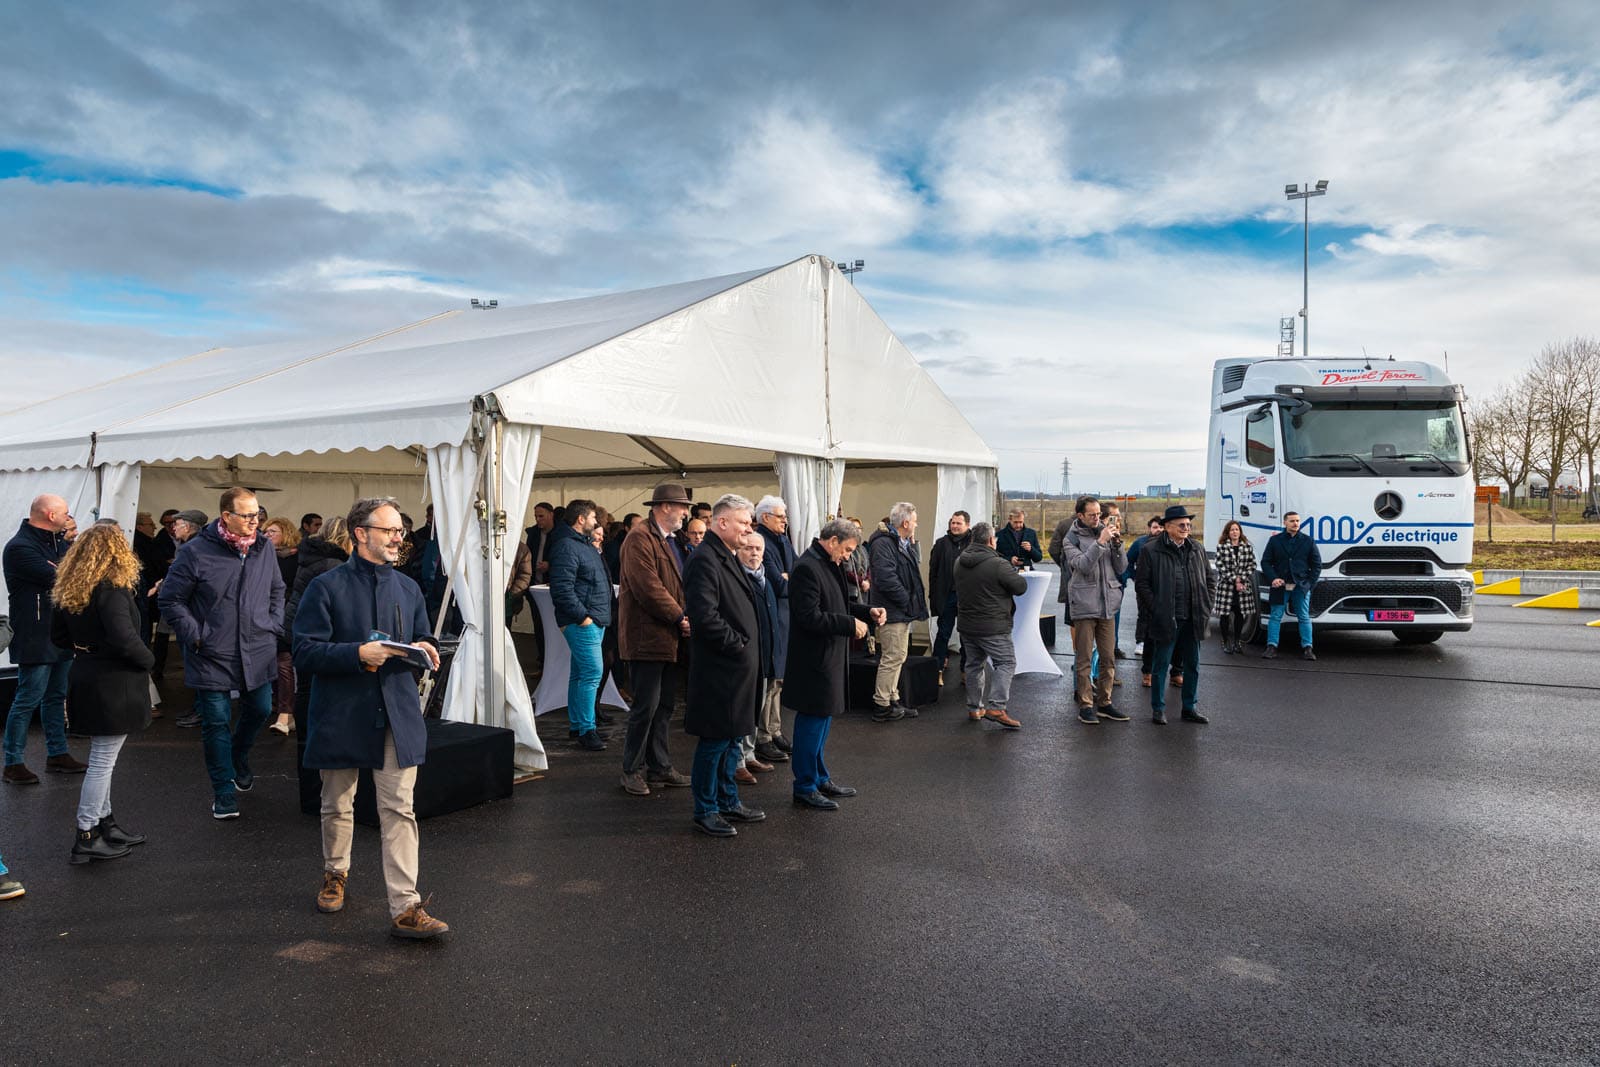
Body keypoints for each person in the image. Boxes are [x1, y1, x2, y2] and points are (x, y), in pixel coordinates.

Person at [292, 497, 447, 940]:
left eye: (401, 531)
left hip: (396, 711)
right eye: (390, 530)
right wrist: (356, 654)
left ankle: (406, 905)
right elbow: (303, 650)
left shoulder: (408, 587)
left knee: (400, 808)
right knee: (337, 802)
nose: (399, 538)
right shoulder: (326, 586)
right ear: (361, 534)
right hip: (343, 711)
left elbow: (420, 633)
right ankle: (335, 872)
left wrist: (426, 645)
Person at [157, 487, 284, 819]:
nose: (255, 521)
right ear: (226, 516)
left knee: (260, 708)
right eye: (247, 515)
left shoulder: (263, 547)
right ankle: (223, 790)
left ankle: (238, 755)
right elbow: (170, 599)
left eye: (257, 514)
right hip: (211, 651)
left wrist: (272, 623)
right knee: (215, 722)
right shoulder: (196, 552)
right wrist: (197, 636)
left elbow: (276, 589)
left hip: (258, 647)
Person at [49, 522, 155, 863]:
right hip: (113, 681)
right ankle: (86, 833)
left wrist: (87, 646)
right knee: (102, 762)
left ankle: (104, 823)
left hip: (86, 672)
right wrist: (148, 660)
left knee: (102, 758)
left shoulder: (70, 587)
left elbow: (59, 637)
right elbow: (125, 638)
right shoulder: (111, 588)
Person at [682, 494, 765, 838]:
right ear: (722, 522)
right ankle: (706, 809)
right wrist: (738, 645)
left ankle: (728, 799)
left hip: (736, 667)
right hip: (721, 667)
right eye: (744, 522)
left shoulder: (725, 556)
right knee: (715, 741)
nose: (749, 529)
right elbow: (705, 616)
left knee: (732, 740)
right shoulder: (705, 559)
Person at [786, 518, 882, 810]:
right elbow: (808, 616)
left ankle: (818, 777)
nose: (849, 555)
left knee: (823, 721)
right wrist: (848, 623)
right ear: (832, 541)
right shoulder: (807, 568)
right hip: (813, 661)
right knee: (812, 723)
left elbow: (839, 605)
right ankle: (804, 785)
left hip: (828, 658)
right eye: (848, 549)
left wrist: (866, 612)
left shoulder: (829, 563)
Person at [3, 493, 86, 784]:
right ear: (51, 516)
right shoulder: (19, 548)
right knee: (28, 698)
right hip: (35, 634)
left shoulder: (56, 543)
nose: (69, 517)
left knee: (55, 697)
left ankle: (57, 753)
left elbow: (73, 573)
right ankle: (12, 762)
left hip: (60, 632)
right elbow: (68, 577)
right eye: (65, 513)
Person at [616, 484, 693, 797]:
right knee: (645, 707)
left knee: (663, 706)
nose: (686, 513)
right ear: (664, 507)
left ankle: (659, 766)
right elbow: (649, 587)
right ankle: (631, 770)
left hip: (666, 638)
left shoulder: (669, 540)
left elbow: (677, 584)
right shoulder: (639, 538)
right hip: (648, 637)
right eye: (681, 507)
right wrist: (680, 617)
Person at [1135, 505, 1213, 726]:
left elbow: (1210, 579)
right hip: (1167, 618)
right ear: (1168, 526)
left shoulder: (1197, 548)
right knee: (1161, 665)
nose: (1186, 528)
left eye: (1189, 524)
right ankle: (1158, 709)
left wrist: (1207, 605)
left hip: (1193, 617)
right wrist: (1157, 608)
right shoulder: (1151, 550)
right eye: (1181, 524)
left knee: (1193, 665)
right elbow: (1142, 584)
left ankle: (1189, 707)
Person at [1059, 496, 1129, 725]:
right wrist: (1100, 543)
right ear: (1080, 515)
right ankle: (1086, 704)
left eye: (1099, 514)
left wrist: (1118, 547)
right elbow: (1082, 566)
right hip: (1085, 604)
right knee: (1084, 658)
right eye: (1092, 514)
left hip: (1107, 603)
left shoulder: (1106, 532)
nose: (1097, 518)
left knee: (1108, 658)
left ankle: (1105, 702)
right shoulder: (1071, 539)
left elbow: (1121, 568)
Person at [547, 499, 611, 751]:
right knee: (592, 674)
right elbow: (562, 589)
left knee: (580, 674)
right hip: (584, 622)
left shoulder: (580, 545)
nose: (597, 523)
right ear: (581, 519)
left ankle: (578, 725)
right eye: (594, 518)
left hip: (592, 619)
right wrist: (584, 617)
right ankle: (587, 729)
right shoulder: (567, 546)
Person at [953, 522, 1026, 728]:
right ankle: (997, 706)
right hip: (993, 625)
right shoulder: (998, 564)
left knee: (974, 665)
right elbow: (1020, 587)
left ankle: (975, 708)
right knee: (1006, 662)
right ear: (991, 540)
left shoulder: (959, 561)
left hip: (967, 624)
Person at [867, 502, 928, 722]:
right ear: (905, 522)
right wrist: (906, 601)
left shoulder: (899, 542)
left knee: (899, 656)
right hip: (891, 610)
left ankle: (893, 698)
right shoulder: (884, 543)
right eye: (915, 520)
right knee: (892, 657)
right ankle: (882, 704)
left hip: (899, 610)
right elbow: (886, 578)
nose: (916, 524)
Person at [751, 495, 794, 765]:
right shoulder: (761, 543)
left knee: (779, 681)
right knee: (769, 682)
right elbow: (781, 585)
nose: (785, 520)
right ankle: (763, 736)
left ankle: (775, 729)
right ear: (765, 517)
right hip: (772, 617)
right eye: (780, 516)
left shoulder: (784, 540)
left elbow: (796, 574)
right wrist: (789, 579)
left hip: (784, 618)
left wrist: (790, 578)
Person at [736, 532, 779, 782]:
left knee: (757, 707)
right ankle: (738, 761)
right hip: (746, 655)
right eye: (749, 548)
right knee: (743, 710)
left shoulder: (765, 578)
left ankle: (749, 754)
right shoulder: (740, 578)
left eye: (758, 549)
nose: (754, 553)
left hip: (764, 654)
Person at [156, 509, 207, 720]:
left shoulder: (191, 548)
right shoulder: (196, 546)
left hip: (192, 613)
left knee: (197, 664)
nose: (173, 528)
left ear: (187, 526)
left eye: (176, 524)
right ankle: (199, 707)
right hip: (193, 613)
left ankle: (202, 709)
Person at [1261, 511, 1322, 661]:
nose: (1296, 523)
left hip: (1300, 586)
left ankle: (1308, 648)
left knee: (1304, 617)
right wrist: (1273, 578)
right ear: (1285, 523)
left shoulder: (1308, 541)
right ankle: (1271, 647)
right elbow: (1266, 562)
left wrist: (1308, 584)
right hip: (1280, 585)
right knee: (1275, 616)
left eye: (1298, 521)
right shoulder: (1274, 541)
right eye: (1292, 521)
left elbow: (1316, 565)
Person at [263, 518, 302, 739]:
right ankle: (283, 709)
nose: (267, 534)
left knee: (283, 662)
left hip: (288, 614)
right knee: (276, 663)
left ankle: (285, 713)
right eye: (266, 531)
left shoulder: (296, 558)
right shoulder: (262, 555)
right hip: (266, 614)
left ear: (286, 533)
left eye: (273, 531)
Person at [927, 510, 971, 688]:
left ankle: (965, 671)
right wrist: (934, 597)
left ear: (967, 525)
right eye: (953, 522)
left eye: (958, 523)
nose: (954, 526)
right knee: (943, 633)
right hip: (947, 596)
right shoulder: (941, 544)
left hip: (967, 597)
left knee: (967, 636)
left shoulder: (974, 544)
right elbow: (933, 573)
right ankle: (937, 670)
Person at [1125, 516, 1164, 666]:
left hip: (1162, 587)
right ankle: (1140, 642)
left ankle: (1159, 642)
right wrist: (1134, 577)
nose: (1158, 530)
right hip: (1144, 587)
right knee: (1144, 614)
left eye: (1161, 527)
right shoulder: (1140, 543)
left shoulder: (1167, 543)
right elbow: (1128, 561)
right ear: (1149, 528)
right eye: (1155, 527)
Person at [1214, 520, 1257, 654]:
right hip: (1226, 586)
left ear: (1240, 532)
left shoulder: (1247, 547)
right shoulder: (1221, 546)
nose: (1234, 532)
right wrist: (1235, 579)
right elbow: (1220, 565)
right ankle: (1225, 641)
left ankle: (1237, 642)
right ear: (1228, 532)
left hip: (1242, 587)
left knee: (1240, 614)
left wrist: (1241, 578)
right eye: (1232, 530)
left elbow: (1252, 564)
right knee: (1225, 615)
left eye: (1237, 530)